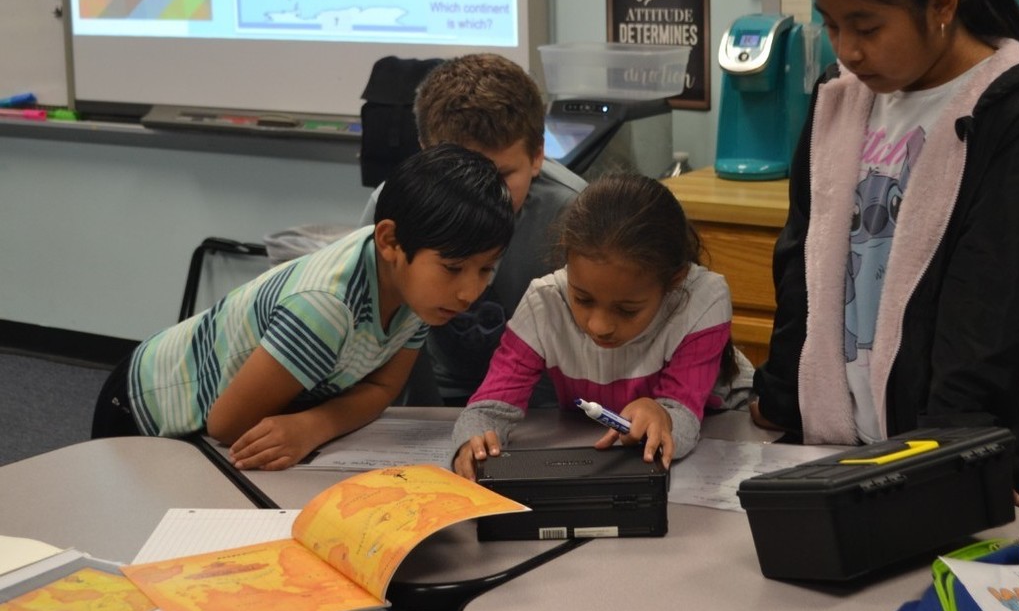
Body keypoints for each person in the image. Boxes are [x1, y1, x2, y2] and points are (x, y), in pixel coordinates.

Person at [751, 0, 1019, 493]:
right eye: (832, 25)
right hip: (843, 443)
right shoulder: (840, 96)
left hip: (951, 451)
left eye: (867, 27)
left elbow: (989, 305)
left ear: (942, 4)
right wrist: (780, 390)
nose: (848, 50)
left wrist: (963, 451)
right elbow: (803, 257)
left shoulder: (1006, 110)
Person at [91, 144, 514, 471]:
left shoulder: (417, 290)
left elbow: (381, 389)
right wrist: (314, 425)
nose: (469, 293)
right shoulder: (325, 307)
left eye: (485, 269)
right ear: (389, 242)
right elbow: (228, 424)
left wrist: (315, 424)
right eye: (453, 268)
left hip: (219, 424)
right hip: (147, 411)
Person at [453, 172, 747, 478]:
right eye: (583, 299)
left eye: (627, 310)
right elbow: (489, 408)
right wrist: (472, 441)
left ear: (674, 282)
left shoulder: (700, 299)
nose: (599, 326)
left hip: (725, 439)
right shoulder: (546, 301)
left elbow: (683, 416)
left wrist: (662, 416)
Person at [360, 52, 587, 405]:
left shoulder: (576, 215)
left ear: (537, 155)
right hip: (430, 398)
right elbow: (375, 338)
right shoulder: (390, 208)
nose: (482, 194)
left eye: (502, 175)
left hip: (539, 403)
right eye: (460, 173)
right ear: (425, 154)